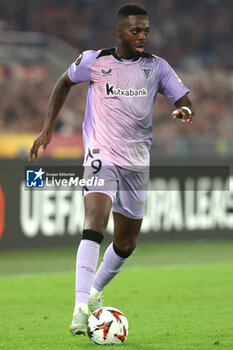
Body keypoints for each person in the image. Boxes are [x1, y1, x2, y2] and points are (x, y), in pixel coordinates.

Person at [29, 4, 194, 336]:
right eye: (136, 31)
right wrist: (48, 128)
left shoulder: (157, 67)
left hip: (136, 163)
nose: (142, 37)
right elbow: (62, 83)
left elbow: (183, 98)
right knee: (94, 224)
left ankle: (94, 293)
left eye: (146, 31)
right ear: (120, 31)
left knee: (126, 243)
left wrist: (185, 109)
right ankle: (78, 308)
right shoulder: (94, 61)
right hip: (100, 155)